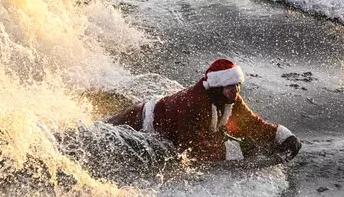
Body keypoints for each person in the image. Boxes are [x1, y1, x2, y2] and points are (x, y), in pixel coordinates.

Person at [108, 58, 302, 163]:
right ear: (218, 87)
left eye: (237, 85)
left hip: (161, 121)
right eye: (230, 86)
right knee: (104, 137)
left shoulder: (230, 98)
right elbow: (190, 147)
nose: (236, 90)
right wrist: (234, 151)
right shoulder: (194, 104)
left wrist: (283, 137)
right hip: (139, 122)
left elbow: (251, 123)